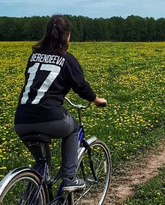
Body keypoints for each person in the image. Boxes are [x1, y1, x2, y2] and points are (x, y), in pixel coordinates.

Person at [14, 14, 107, 191]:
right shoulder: (66, 59)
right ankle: (70, 178)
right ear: (67, 36)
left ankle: (34, 203)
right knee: (72, 128)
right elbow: (81, 86)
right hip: (50, 117)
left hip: (21, 120)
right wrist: (96, 100)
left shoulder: (34, 56)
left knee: (41, 162)